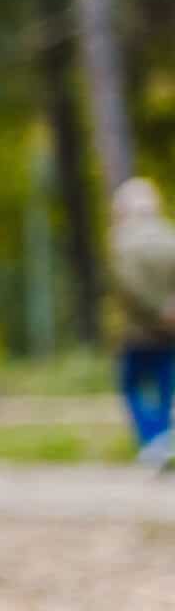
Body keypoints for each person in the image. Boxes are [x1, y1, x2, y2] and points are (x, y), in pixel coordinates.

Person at [109, 176, 175, 469]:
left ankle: (153, 438)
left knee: (131, 385)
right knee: (165, 384)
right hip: (170, 329)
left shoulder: (123, 240)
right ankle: (164, 436)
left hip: (138, 331)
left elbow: (129, 287)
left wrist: (156, 310)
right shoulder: (169, 236)